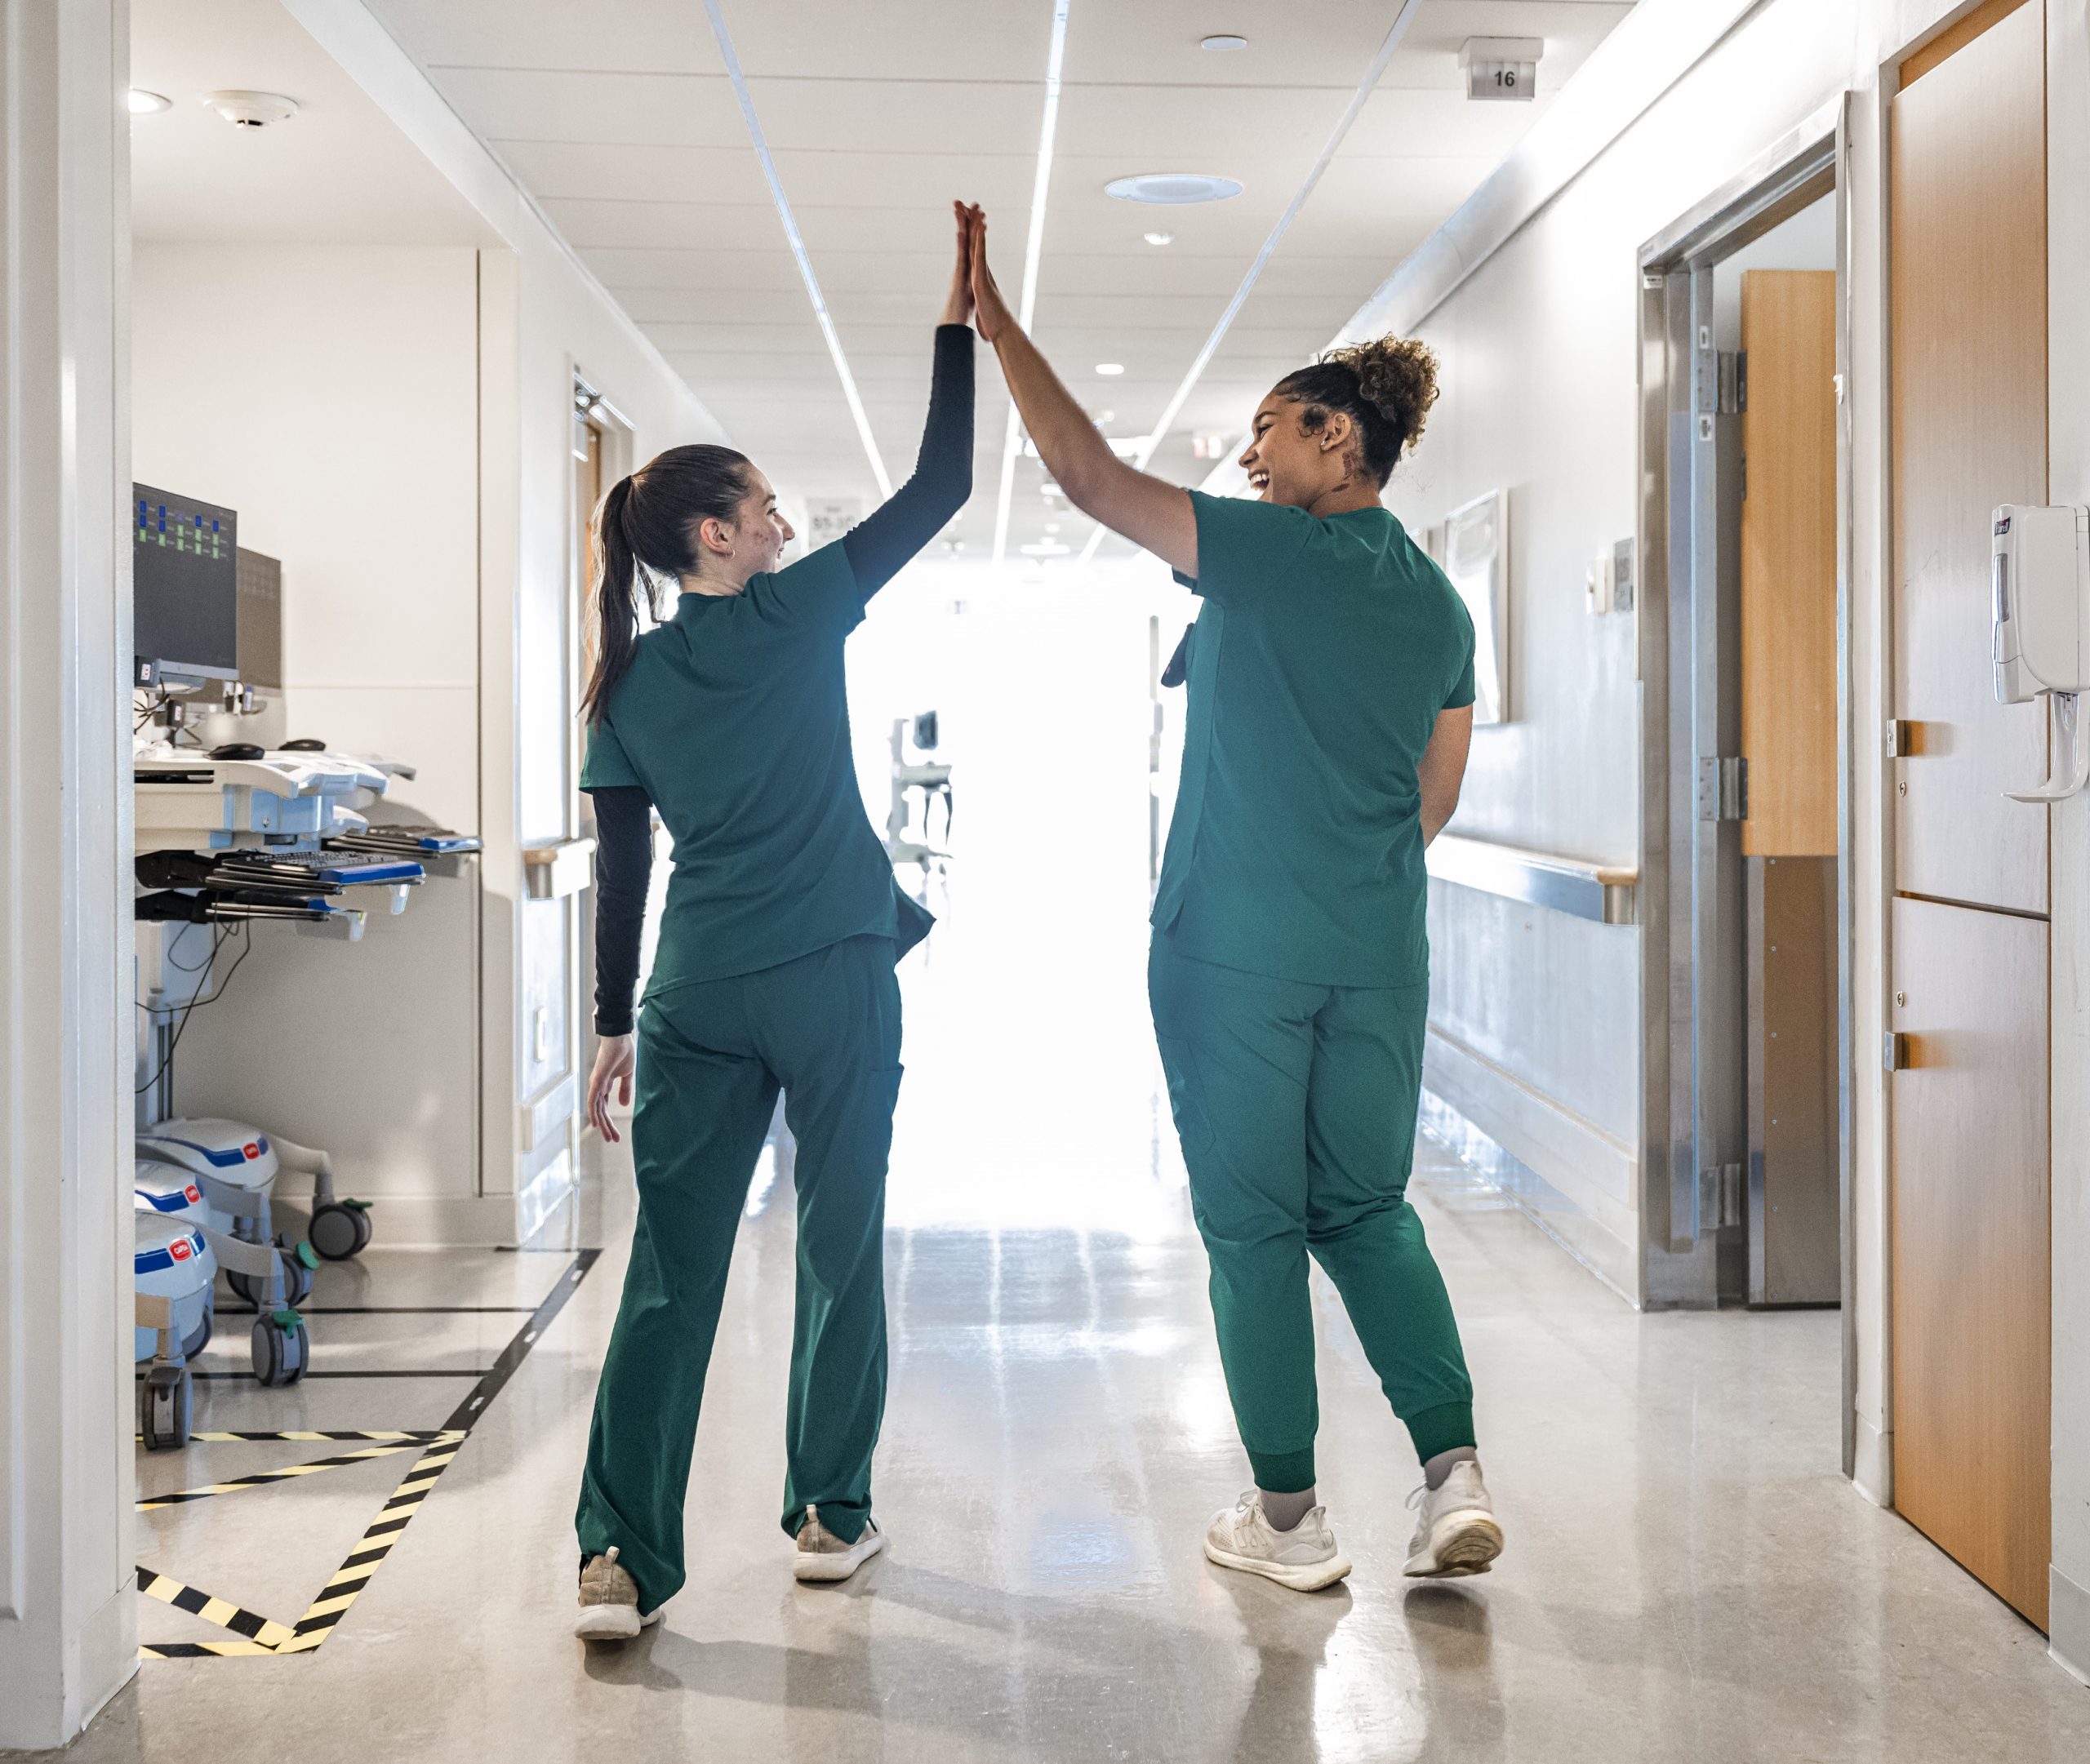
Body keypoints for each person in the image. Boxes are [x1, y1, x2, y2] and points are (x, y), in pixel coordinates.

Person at [967, 215, 1502, 1593]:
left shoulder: (1264, 558)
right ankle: (1451, 1478)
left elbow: (1084, 474)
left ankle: (1286, 1522)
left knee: (1257, 1228)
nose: (1252, 457)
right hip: (1377, 953)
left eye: (1271, 431)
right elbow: (1430, 805)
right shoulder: (1443, 608)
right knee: (1370, 1210)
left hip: (1235, 956)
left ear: (1338, 440)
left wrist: (997, 325)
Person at [570, 204, 978, 1641]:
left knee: (671, 1273)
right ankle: (828, 1514)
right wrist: (958, 323)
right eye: (767, 509)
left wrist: (614, 1024)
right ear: (716, 535)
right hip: (833, 978)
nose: (789, 525)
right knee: (839, 1243)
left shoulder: (625, 685)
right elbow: (944, 481)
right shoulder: (800, 614)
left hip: (695, 992)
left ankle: (617, 1559)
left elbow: (624, 871)